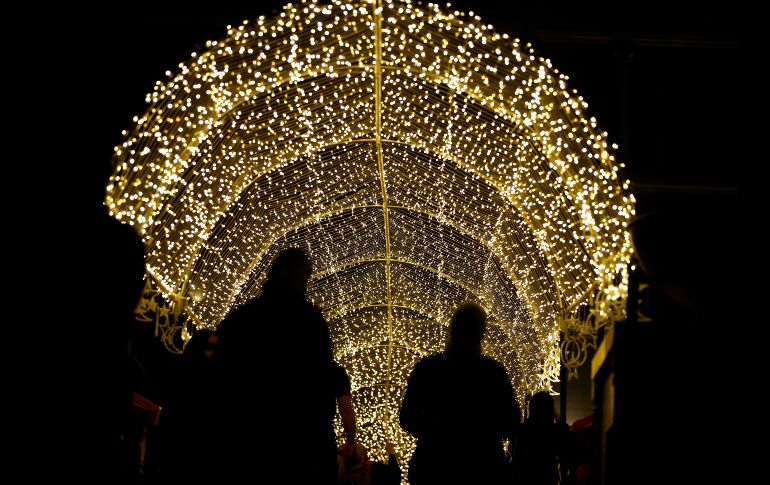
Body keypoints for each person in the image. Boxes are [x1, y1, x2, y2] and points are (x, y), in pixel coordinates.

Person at [213, 247, 336, 484]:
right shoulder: (311, 322)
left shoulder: (244, 317)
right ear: (303, 279)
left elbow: (220, 373)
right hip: (299, 444)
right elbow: (322, 379)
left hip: (246, 440)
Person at [399, 302, 521, 485]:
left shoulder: (428, 369)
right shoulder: (492, 373)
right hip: (483, 466)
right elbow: (511, 421)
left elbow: (407, 417)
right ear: (481, 333)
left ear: (452, 329)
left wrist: (434, 430)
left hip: (434, 466)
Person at [511, 391, 575, 485]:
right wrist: (558, 418)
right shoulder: (551, 430)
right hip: (548, 479)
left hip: (526, 478)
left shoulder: (524, 429)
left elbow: (517, 463)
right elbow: (567, 439)